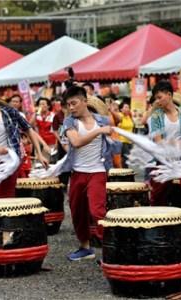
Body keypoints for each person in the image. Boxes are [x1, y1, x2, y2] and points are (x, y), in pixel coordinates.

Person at [61, 86, 113, 261]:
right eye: (68, 105)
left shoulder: (103, 120)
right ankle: (85, 248)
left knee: (97, 211)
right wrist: (98, 131)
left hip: (97, 172)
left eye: (74, 103)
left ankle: (111, 250)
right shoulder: (69, 122)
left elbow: (114, 135)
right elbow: (75, 142)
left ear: (85, 101)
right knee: (77, 211)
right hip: (77, 173)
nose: (71, 108)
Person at [0, 82, 48, 198]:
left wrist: (39, 153)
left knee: (3, 197)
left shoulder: (10, 112)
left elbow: (29, 130)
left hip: (11, 161)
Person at [149, 81, 181, 214]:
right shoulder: (156, 116)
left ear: (169, 95)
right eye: (156, 98)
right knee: (157, 194)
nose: (157, 101)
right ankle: (158, 224)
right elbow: (158, 141)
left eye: (160, 97)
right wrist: (179, 143)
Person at [117, 101, 134, 168]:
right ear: (121, 109)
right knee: (125, 159)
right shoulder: (120, 116)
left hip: (129, 141)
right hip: (122, 141)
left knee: (127, 159)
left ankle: (125, 172)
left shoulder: (129, 117)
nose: (127, 109)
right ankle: (125, 174)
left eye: (128, 107)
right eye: (126, 107)